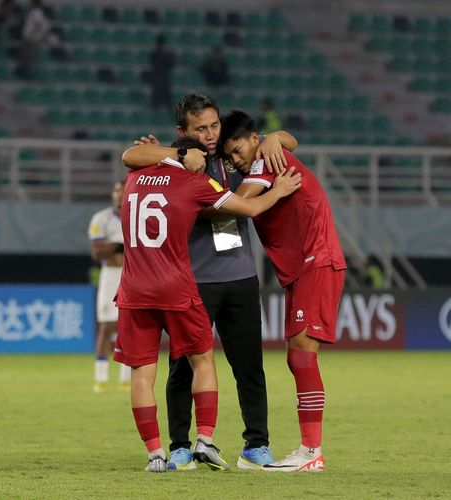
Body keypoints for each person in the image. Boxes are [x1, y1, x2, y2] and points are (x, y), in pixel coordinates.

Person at [122, 94, 297, 471]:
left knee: (249, 367)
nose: (211, 134)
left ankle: (256, 445)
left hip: (240, 276)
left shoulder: (235, 156)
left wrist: (272, 138)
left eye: (214, 125)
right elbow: (129, 157)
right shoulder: (180, 160)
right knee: (182, 369)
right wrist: (171, 154)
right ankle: (181, 446)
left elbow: (289, 142)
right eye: (201, 128)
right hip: (193, 279)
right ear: (183, 131)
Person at [218, 109, 347, 473]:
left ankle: (311, 452)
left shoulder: (263, 161)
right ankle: (309, 450)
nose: (235, 159)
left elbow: (241, 201)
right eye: (228, 156)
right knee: (296, 357)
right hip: (300, 269)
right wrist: (279, 136)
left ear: (254, 139)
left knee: (303, 355)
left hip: (315, 261)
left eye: (238, 150)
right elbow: (286, 140)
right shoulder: (268, 150)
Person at [87, 182, 132, 393]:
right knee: (106, 326)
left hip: (131, 275)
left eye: (123, 192)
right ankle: (101, 378)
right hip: (110, 275)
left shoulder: (138, 215)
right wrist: (119, 246)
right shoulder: (101, 219)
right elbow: (97, 252)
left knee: (129, 328)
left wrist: (112, 247)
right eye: (116, 191)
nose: (119, 196)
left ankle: (125, 378)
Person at [18, 0, 51, 80]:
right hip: (30, 37)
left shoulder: (36, 11)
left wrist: (31, 35)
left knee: (29, 57)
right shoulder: (34, 11)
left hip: (31, 38)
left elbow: (38, 24)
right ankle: (24, 73)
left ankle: (28, 75)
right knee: (25, 57)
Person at [148, 35, 175, 110]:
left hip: (162, 79)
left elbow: (171, 63)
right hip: (160, 79)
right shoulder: (157, 54)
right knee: (157, 99)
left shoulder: (164, 54)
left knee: (166, 100)